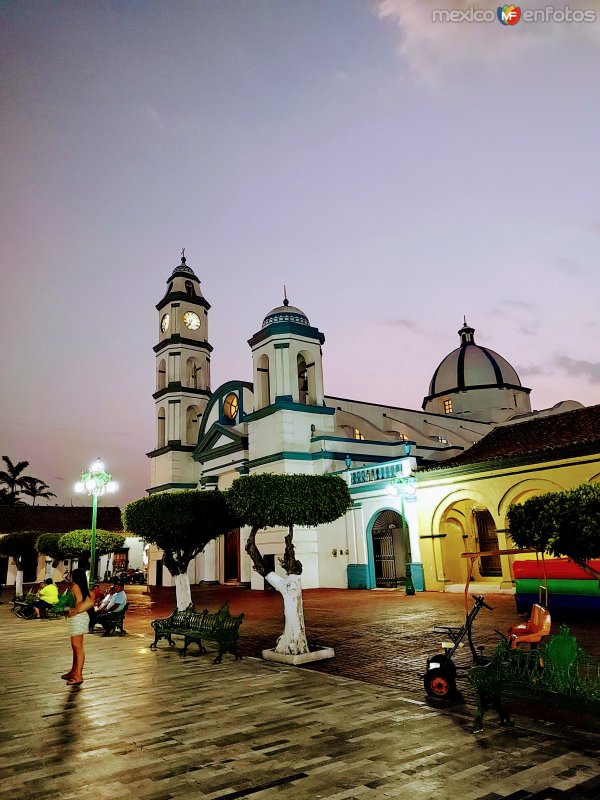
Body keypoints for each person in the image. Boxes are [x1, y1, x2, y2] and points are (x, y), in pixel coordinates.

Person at [62, 568, 94, 686]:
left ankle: (78, 675)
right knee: (76, 647)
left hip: (78, 618)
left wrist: (75, 611)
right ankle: (74, 671)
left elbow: (79, 600)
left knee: (78, 647)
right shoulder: (82, 587)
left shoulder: (76, 586)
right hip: (80, 618)